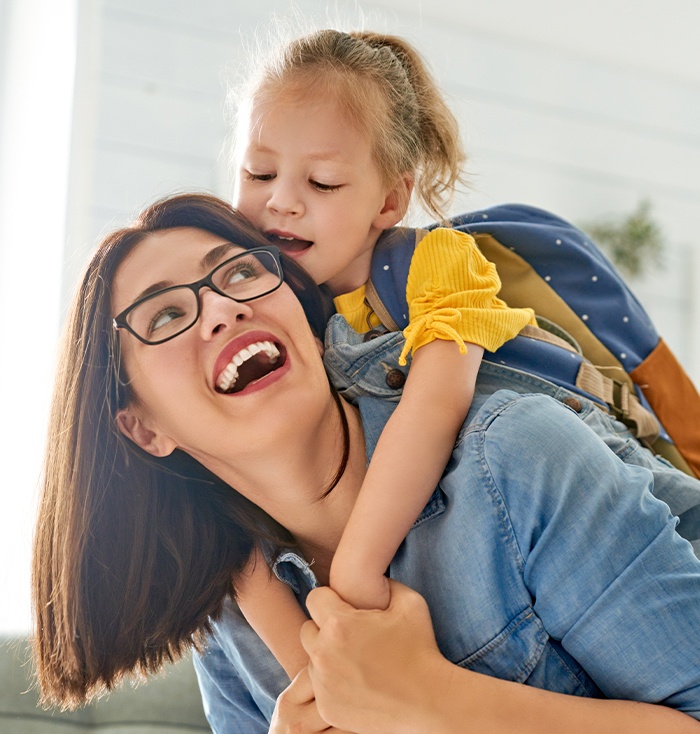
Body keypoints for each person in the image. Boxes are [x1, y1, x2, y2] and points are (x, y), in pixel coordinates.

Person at [32, 193, 700, 732]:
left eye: (239, 271)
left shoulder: (514, 458)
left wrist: (437, 703)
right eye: (167, 314)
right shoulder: (232, 626)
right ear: (144, 428)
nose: (224, 308)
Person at [229, 27, 537, 678]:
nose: (281, 198)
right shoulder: (251, 310)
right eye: (259, 172)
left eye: (323, 181)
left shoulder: (438, 262)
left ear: (390, 200)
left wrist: (356, 574)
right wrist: (316, 677)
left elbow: (435, 407)